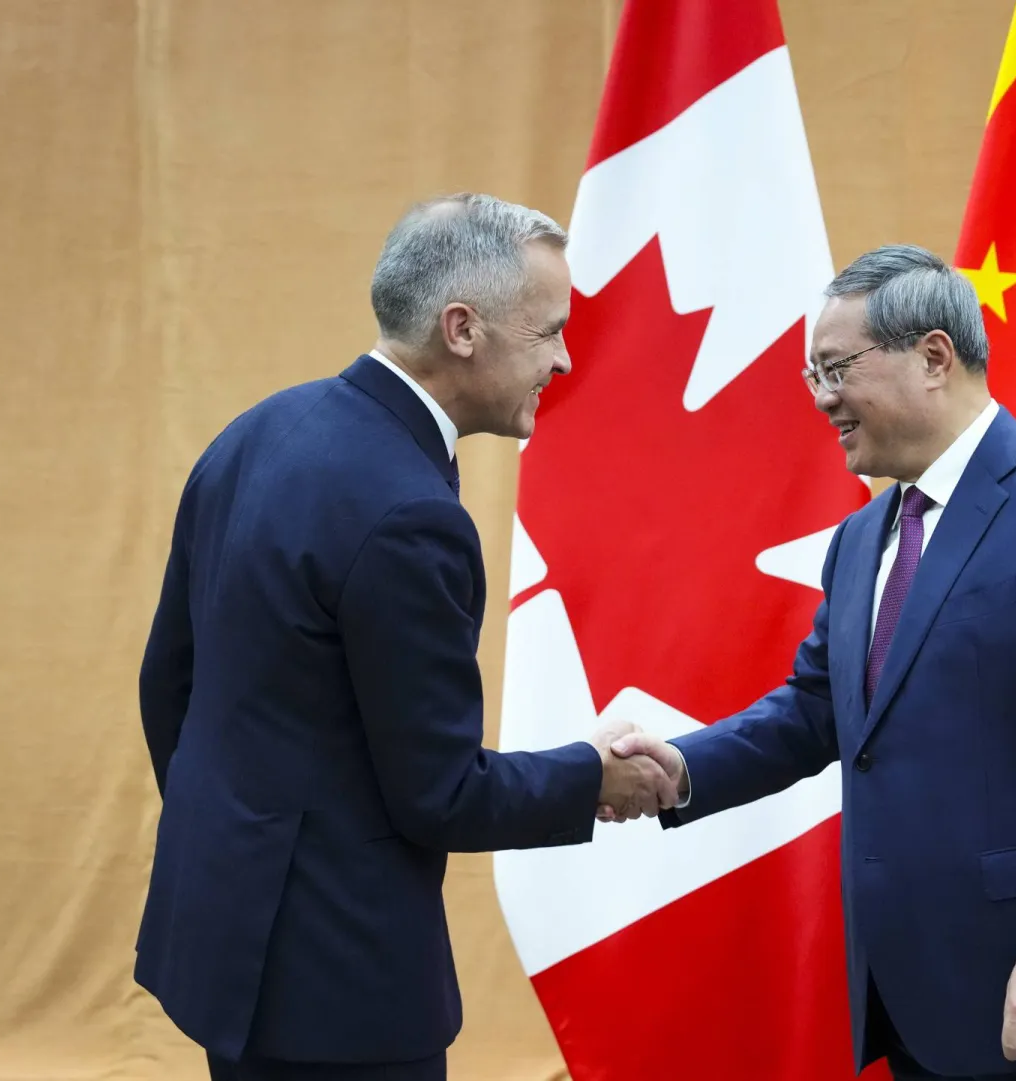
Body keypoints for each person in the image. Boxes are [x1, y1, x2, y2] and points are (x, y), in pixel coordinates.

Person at [607, 245, 1016, 1080]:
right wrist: (679, 767)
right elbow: (813, 710)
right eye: (810, 374)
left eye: (836, 368)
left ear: (934, 356)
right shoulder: (863, 538)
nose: (822, 398)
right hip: (924, 1004)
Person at [135, 193, 676, 1081]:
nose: (565, 357)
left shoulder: (255, 431)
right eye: (548, 332)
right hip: (341, 992)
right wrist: (595, 774)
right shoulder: (410, 512)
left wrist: (243, 839)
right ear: (461, 328)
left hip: (226, 949)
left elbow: (170, 684)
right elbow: (440, 795)